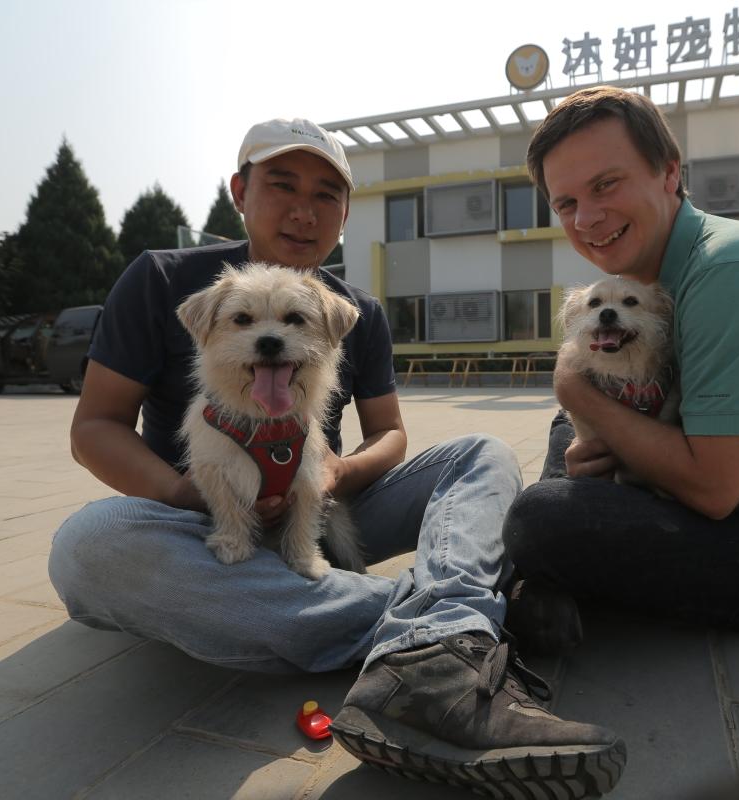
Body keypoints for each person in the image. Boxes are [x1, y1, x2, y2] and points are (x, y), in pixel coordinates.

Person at [48, 118, 624, 799]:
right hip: (202, 524)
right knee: (89, 547)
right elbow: (95, 428)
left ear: (345, 213)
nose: (304, 210)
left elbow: (390, 434)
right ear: (240, 190)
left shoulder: (358, 311)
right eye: (282, 185)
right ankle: (447, 633)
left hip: (320, 508)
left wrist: (337, 471)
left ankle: (421, 639)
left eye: (327, 195)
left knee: (481, 451)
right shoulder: (163, 279)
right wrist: (182, 493)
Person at [503, 87, 739, 646]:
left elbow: (712, 489)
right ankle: (552, 576)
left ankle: (544, 576)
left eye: (606, 184)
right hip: (718, 506)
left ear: (669, 173)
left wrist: (574, 390)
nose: (588, 217)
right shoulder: (660, 278)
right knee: (585, 409)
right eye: (566, 203)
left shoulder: (734, 268)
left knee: (540, 514)